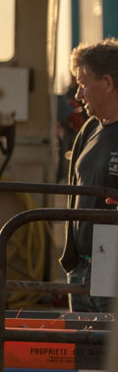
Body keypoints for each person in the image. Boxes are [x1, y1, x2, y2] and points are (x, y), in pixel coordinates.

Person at [60, 38, 118, 312]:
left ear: (107, 83)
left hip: (111, 260)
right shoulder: (89, 131)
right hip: (81, 265)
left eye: (83, 84)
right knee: (81, 352)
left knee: (108, 351)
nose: (79, 95)